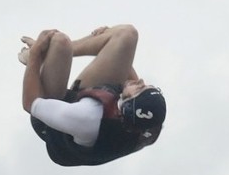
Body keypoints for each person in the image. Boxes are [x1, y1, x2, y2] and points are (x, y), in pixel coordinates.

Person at [19, 24, 166, 166]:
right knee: (127, 35)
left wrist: (35, 56)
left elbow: (29, 103)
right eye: (146, 87)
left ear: (123, 105)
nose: (140, 81)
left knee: (59, 42)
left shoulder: (87, 117)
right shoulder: (146, 122)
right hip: (94, 117)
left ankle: (44, 58)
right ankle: (58, 51)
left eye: (140, 89)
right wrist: (108, 44)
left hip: (53, 129)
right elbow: (129, 77)